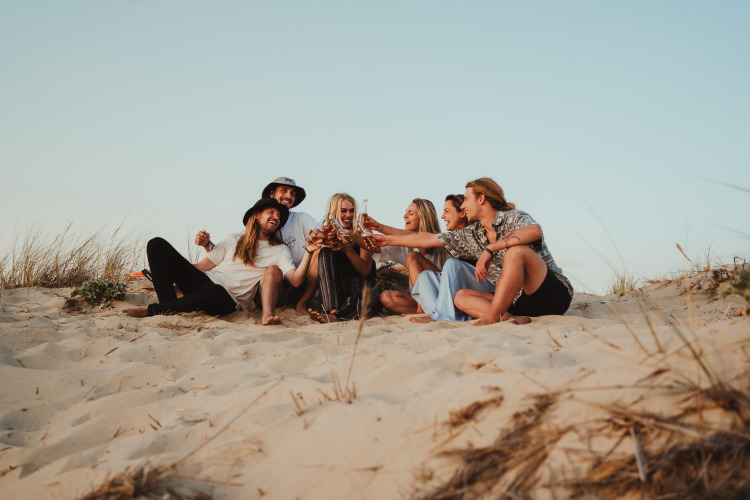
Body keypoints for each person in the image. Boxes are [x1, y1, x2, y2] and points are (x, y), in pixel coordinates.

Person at [373, 178, 573, 325]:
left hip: (550, 295)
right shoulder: (473, 233)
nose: (463, 205)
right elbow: (427, 238)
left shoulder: (512, 217)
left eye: (466, 199)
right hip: (516, 302)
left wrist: (491, 248)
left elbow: (534, 231)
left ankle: (492, 317)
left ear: (481, 199)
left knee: (516, 251)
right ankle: (509, 319)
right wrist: (385, 239)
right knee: (460, 297)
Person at [124, 198, 320, 325]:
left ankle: (155, 310)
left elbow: (295, 280)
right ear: (257, 215)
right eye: (271, 212)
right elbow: (203, 266)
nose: (276, 217)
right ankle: (168, 305)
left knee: (215, 291)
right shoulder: (234, 238)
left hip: (228, 299)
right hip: (206, 282)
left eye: (279, 216)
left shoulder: (279, 250)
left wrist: (309, 251)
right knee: (156, 244)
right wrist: (167, 269)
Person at [196, 177, 318, 313]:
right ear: (272, 194)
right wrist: (207, 244)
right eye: (284, 191)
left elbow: (318, 234)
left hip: (289, 279)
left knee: (277, 269)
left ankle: (298, 304)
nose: (289, 196)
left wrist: (310, 248)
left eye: (292, 193)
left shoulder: (300, 219)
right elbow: (229, 250)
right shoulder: (248, 232)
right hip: (258, 284)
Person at [363, 199, 446, 315]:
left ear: (424, 218)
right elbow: (374, 248)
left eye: (410, 213)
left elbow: (417, 237)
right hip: (419, 300)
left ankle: (422, 309)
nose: (404, 216)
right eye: (406, 212)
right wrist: (357, 235)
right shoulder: (403, 246)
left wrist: (379, 227)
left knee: (413, 257)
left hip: (442, 296)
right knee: (386, 297)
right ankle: (422, 308)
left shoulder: (438, 240)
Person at [308, 193, 380, 323]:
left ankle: (335, 316)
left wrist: (346, 248)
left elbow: (365, 271)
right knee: (325, 252)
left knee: (370, 293)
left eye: (351, 211)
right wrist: (325, 242)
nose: (348, 215)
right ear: (333, 213)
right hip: (336, 293)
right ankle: (333, 311)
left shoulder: (362, 231)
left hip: (361, 289)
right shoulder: (326, 233)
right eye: (343, 211)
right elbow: (318, 273)